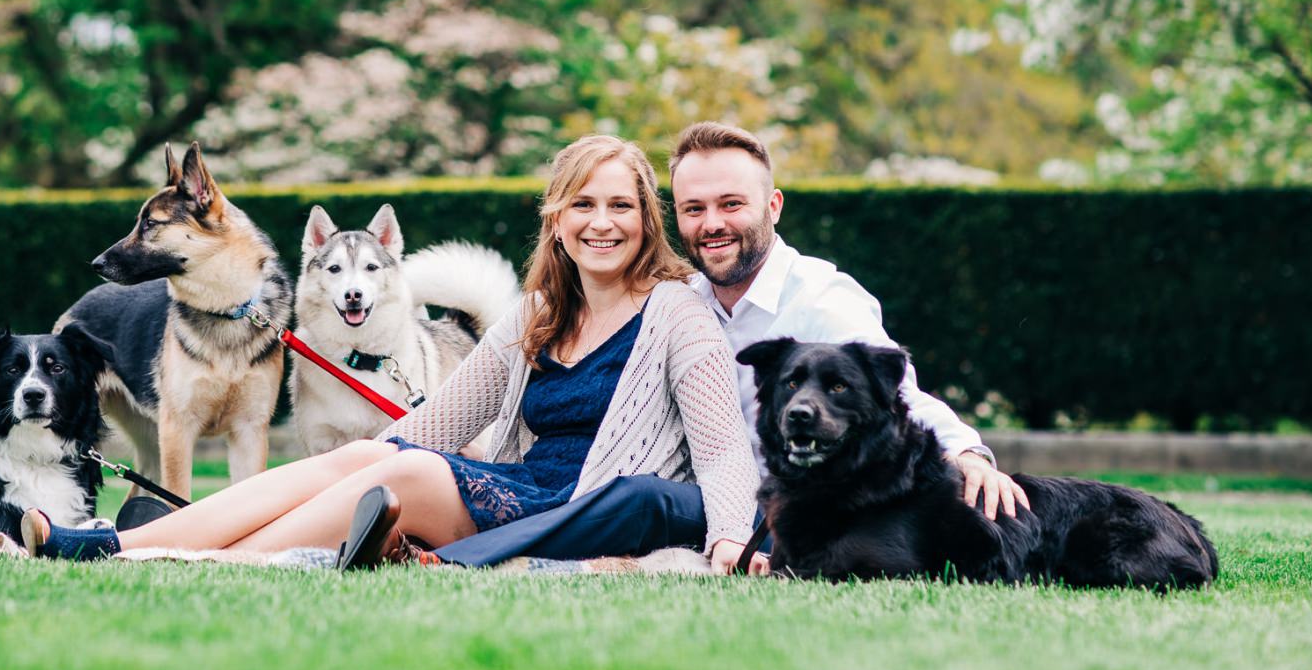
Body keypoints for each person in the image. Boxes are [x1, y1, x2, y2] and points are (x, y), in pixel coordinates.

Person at [17, 135, 762, 572]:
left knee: (397, 464)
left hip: (581, 510)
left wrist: (731, 538)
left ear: (646, 219)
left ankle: (188, 563)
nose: (602, 223)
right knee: (371, 455)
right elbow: (439, 419)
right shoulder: (538, 315)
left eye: (621, 206)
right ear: (557, 220)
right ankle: (114, 541)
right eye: (583, 205)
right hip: (520, 489)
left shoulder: (677, 312)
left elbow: (725, 450)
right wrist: (357, 462)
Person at [426, 120, 1029, 571]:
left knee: (640, 499)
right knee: (628, 493)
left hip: (792, 512)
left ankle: (458, 558)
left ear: (772, 206)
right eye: (694, 208)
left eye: (731, 205)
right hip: (709, 496)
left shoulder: (821, 300)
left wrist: (968, 454)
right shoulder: (683, 298)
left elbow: (899, 396)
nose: (712, 223)